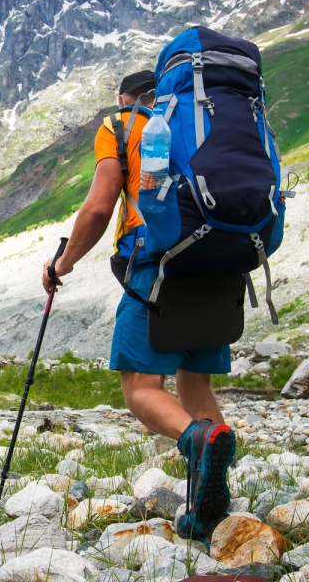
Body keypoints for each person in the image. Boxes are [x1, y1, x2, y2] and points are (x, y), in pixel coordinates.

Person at [40, 70, 236, 541]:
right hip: (221, 262)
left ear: (125, 96)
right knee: (194, 385)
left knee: (140, 389)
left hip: (157, 263)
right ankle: (209, 510)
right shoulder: (207, 121)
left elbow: (100, 206)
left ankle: (202, 441)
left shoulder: (123, 123)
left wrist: (61, 264)